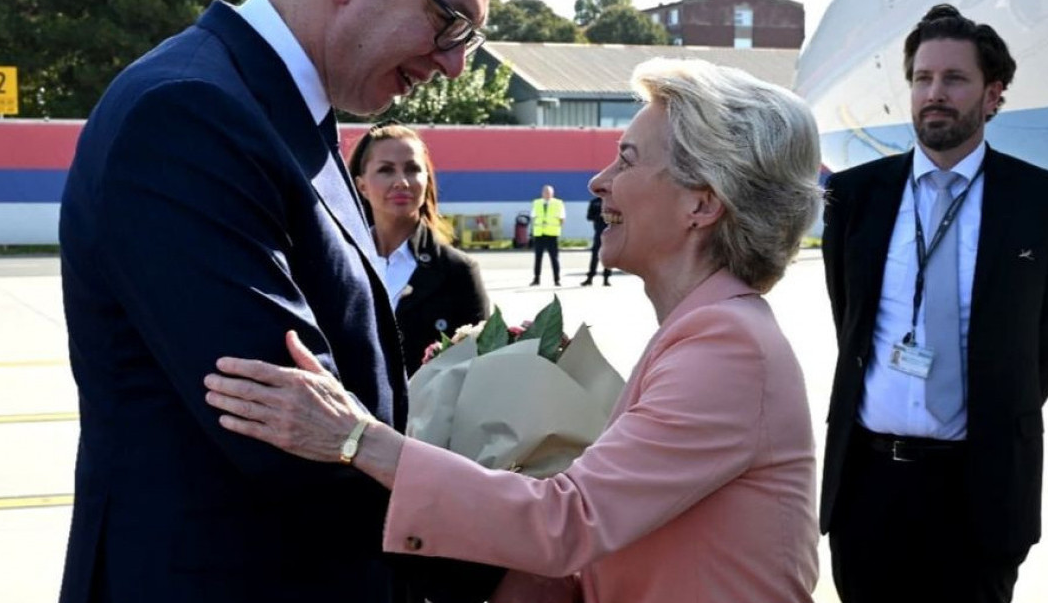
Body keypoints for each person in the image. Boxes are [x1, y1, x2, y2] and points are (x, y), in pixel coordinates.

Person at [204, 58, 823, 603]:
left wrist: (353, 439)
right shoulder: (708, 332)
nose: (599, 182)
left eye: (627, 160)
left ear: (702, 204)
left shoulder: (727, 348)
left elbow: (570, 522)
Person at [57, 0, 497, 603]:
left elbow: (343, 401)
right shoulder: (191, 114)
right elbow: (283, 434)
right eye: (448, 20)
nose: (455, 63)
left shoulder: (286, 111)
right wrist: (497, 558)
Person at [820, 4, 1048, 603]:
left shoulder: (1042, 201)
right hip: (867, 488)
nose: (933, 94)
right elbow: (851, 322)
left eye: (954, 79)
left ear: (993, 95)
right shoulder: (855, 196)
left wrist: (995, 407)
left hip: (980, 489)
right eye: (922, 78)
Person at [347, 122, 491, 377]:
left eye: (413, 169)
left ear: (426, 180)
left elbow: (481, 366)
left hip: (425, 415)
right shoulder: (339, 263)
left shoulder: (457, 271)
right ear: (362, 186)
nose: (401, 182)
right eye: (386, 170)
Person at [528, 184, 564, 286]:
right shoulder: (537, 203)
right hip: (539, 234)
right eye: (545, 192)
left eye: (549, 192)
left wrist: (555, 227)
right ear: (542, 193)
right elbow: (533, 217)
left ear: (552, 193)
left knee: (554, 258)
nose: (547, 194)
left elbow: (562, 218)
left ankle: (557, 280)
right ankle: (536, 279)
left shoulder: (558, 203)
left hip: (552, 235)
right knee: (538, 258)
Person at [581, 195, 611, 286]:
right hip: (598, 233)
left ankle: (606, 279)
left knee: (608, 256)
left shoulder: (613, 202)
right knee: (595, 256)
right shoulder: (594, 202)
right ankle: (590, 278)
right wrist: (600, 216)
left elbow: (620, 216)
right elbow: (589, 216)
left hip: (610, 233)